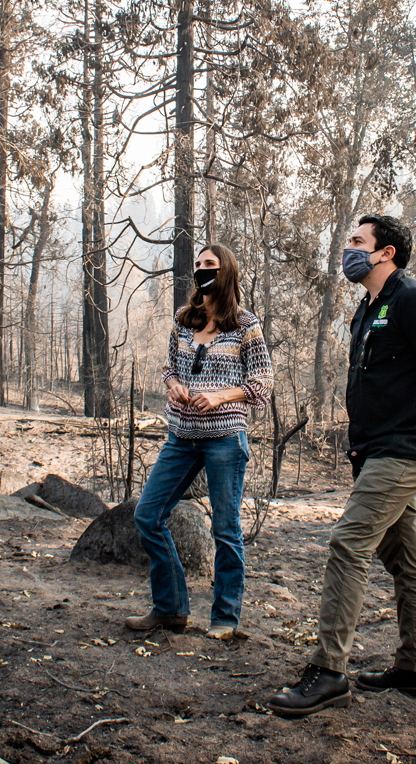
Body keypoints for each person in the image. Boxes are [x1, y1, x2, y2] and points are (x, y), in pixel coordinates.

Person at [267, 214, 416, 718]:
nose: (348, 250)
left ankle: (329, 671)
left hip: (403, 452)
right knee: (406, 559)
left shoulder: (415, 299)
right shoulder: (368, 308)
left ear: (386, 253)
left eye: (358, 242)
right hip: (376, 451)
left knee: (348, 542)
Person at [127, 243, 273, 639]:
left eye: (210, 264)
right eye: (197, 264)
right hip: (181, 437)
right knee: (147, 515)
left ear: (227, 272)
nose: (201, 270)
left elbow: (262, 383)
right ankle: (171, 608)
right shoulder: (183, 319)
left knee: (225, 530)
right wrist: (173, 384)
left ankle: (225, 618)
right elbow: (169, 366)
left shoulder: (245, 324)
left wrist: (220, 395)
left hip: (224, 439)